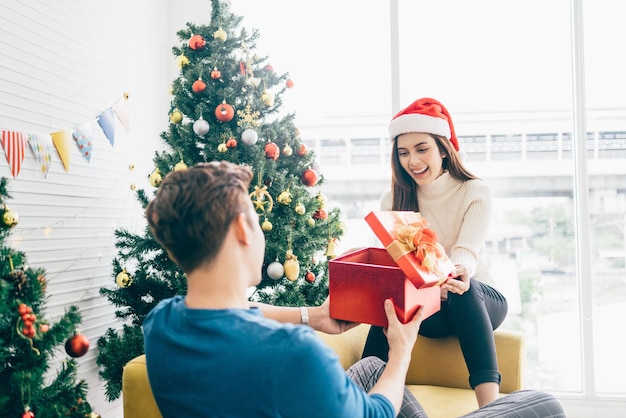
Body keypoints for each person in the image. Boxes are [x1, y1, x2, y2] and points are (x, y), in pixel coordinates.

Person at [142, 160, 566, 417]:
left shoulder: (162, 325)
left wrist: (315, 317)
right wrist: (401, 350)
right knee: (545, 405)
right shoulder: (292, 353)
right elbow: (378, 414)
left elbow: (235, 313)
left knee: (370, 369)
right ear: (241, 229)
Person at [361, 97, 509, 408]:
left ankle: (492, 410)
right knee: (387, 304)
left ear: (443, 148)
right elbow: (400, 265)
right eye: (403, 152)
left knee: (462, 289)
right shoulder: (392, 200)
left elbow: (465, 253)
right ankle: (360, 401)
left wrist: (455, 276)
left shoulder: (474, 191)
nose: (412, 161)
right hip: (429, 306)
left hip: (477, 298)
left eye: (421, 149)